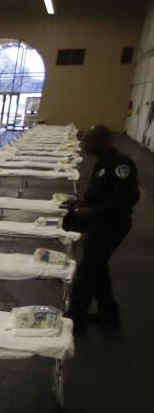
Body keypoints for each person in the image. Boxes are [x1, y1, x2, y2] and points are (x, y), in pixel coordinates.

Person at [64, 125, 139, 329]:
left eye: (87, 141)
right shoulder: (102, 163)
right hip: (100, 221)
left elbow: (127, 198)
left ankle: (74, 318)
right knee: (98, 267)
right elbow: (100, 194)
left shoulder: (120, 165)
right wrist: (80, 204)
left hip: (112, 224)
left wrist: (94, 211)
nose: (84, 145)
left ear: (100, 142)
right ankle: (109, 312)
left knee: (88, 268)